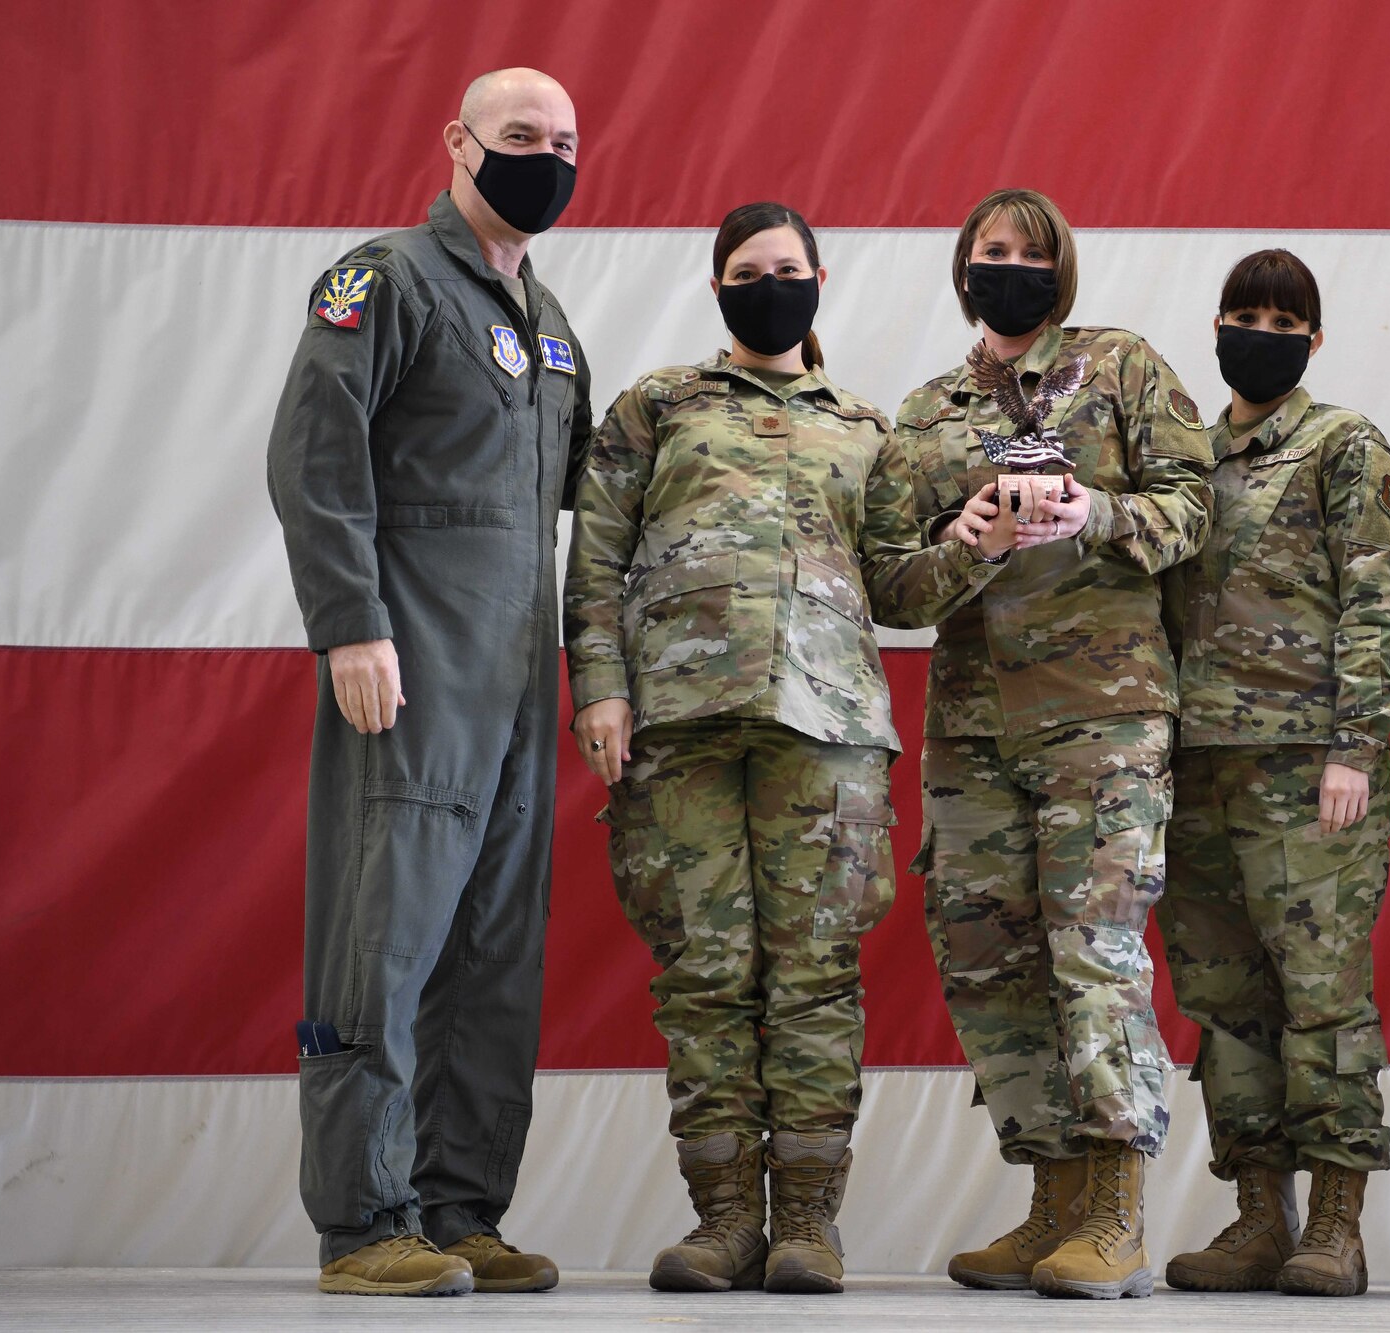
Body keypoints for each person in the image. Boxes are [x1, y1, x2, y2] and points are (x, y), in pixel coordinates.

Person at [565, 202, 1007, 1296]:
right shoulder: (655, 406)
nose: (769, 283)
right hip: (677, 728)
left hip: (829, 732)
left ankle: (807, 1219)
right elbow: (596, 560)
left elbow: (897, 588)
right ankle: (723, 1221)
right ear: (718, 289)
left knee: (813, 977)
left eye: (787, 268)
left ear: (821, 277)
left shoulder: (864, 426)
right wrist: (601, 691)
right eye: (747, 271)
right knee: (707, 976)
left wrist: (971, 544)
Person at [265, 68, 590, 1296]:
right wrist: (350, 622)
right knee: (382, 943)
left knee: (494, 952)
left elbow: (576, 511)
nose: (545, 158)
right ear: (457, 142)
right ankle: (365, 1220)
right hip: (409, 673)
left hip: (516, 684)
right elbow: (314, 450)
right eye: (520, 136)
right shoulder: (385, 280)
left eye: (564, 142)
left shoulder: (550, 322)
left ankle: (459, 1208)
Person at [896, 187, 1214, 1300]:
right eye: (990, 250)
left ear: (1061, 266)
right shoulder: (928, 411)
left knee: (1094, 953)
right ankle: (1051, 1200)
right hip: (975, 729)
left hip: (1103, 714)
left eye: (1030, 252)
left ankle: (1116, 1210)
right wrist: (965, 539)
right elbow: (891, 577)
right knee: (991, 963)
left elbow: (1194, 504)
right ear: (962, 266)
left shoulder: (1120, 366)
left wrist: (1101, 517)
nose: (1010, 266)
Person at [1157, 250, 1390, 1296]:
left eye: (1280, 317)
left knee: (1318, 997)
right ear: (1214, 324)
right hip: (1194, 769)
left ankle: (1337, 1225)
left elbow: (1380, 598)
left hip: (1307, 769)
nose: (1257, 331)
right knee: (1223, 1000)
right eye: (1241, 313)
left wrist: (1355, 746)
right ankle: (1259, 1214)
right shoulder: (1181, 457)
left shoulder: (1341, 444)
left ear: (1311, 339)